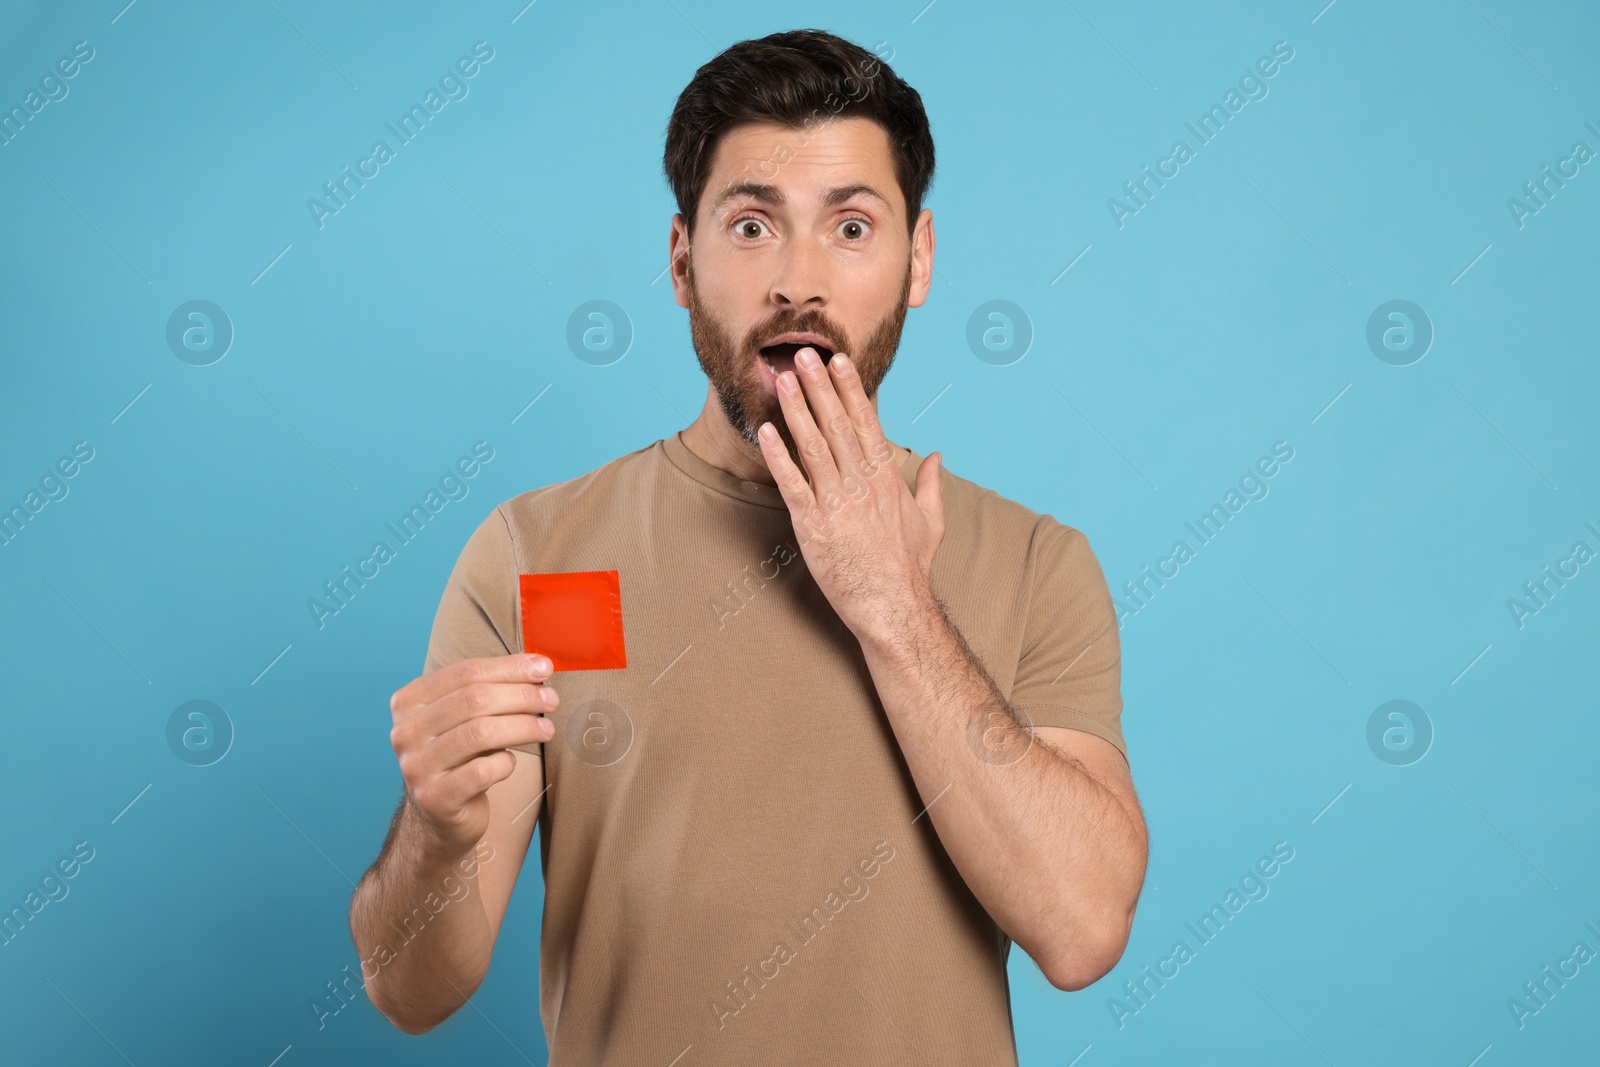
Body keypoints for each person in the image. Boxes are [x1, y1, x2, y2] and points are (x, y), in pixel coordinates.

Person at [349, 27, 1147, 1064]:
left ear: (920, 261)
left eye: (852, 227)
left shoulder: (1037, 562)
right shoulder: (538, 554)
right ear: (683, 263)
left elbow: (1082, 929)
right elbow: (409, 991)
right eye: (752, 227)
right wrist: (436, 831)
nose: (798, 282)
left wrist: (893, 603)